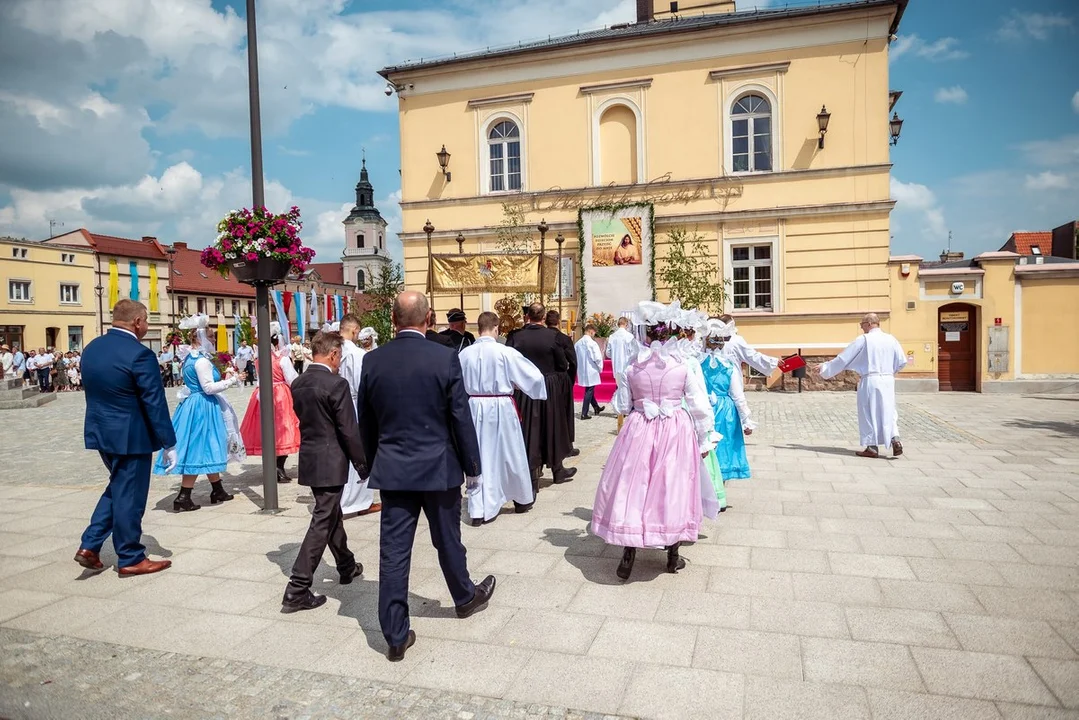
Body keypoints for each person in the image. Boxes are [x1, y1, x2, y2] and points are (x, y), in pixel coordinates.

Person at [358, 291, 495, 662]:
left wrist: (372, 463)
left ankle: (395, 634)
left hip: (395, 469)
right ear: (428, 317)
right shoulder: (445, 357)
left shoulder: (373, 360)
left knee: (394, 551)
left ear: (393, 316)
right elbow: (459, 417)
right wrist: (473, 467)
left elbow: (365, 421)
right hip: (439, 466)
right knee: (448, 539)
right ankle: (464, 596)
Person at [591, 301, 720, 580]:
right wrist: (704, 441)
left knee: (632, 486)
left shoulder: (632, 368)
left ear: (645, 335)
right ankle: (672, 555)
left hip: (639, 428)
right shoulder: (682, 365)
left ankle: (628, 554)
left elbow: (622, 406)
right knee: (672, 486)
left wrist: (642, 401)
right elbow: (699, 408)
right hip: (676, 429)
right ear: (669, 334)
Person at [76, 300, 177, 576]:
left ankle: (90, 544)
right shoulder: (139, 354)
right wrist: (169, 442)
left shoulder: (92, 348)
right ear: (138, 322)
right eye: (145, 321)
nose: (146, 326)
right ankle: (130, 556)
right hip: (131, 436)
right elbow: (154, 402)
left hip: (101, 430)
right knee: (130, 495)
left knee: (119, 487)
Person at [282, 331, 369, 613]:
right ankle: (297, 587)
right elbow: (348, 429)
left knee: (331, 514)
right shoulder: (336, 384)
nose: (340, 361)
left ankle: (345, 565)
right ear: (332, 354)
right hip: (332, 460)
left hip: (310, 457)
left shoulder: (299, 382)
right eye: (340, 356)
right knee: (322, 519)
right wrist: (362, 464)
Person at [459, 311, 547, 526]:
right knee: (510, 452)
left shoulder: (464, 354)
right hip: (501, 405)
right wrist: (519, 384)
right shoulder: (505, 352)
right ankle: (520, 498)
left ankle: (478, 508)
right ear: (496, 328)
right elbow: (535, 378)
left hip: (474, 407)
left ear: (478, 328)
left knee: (478, 455)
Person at [154, 314, 244, 512]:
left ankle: (217, 489)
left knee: (208, 445)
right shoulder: (201, 361)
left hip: (194, 405)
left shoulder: (190, 358)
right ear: (201, 338)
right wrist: (232, 380)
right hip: (203, 407)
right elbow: (208, 387)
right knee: (198, 448)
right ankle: (183, 496)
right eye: (211, 337)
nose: (213, 341)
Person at [818, 313, 906, 458]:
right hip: (888, 380)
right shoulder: (891, 339)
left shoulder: (864, 339)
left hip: (871, 379)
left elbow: (844, 358)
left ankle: (871, 447)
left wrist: (825, 367)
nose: (861, 326)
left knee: (868, 411)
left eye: (862, 323)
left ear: (870, 323)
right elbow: (902, 361)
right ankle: (895, 439)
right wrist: (889, 371)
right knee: (889, 410)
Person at [507, 303, 576, 486]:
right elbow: (562, 364)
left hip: (524, 387)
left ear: (528, 316)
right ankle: (557, 469)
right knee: (552, 426)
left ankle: (531, 475)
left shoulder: (515, 336)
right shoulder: (552, 336)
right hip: (547, 385)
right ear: (543, 318)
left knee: (529, 429)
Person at [239, 322, 301, 483]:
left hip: (262, 394)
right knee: (283, 430)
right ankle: (279, 467)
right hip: (281, 395)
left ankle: (272, 467)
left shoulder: (259, 358)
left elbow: (260, 379)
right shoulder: (283, 359)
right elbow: (293, 379)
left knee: (267, 431)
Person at [701, 318, 756, 486]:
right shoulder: (728, 366)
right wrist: (746, 420)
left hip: (704, 407)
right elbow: (737, 395)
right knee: (723, 447)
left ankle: (707, 485)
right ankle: (720, 486)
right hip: (725, 410)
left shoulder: (698, 363)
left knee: (706, 446)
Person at [338, 315, 380, 517]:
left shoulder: (333, 349)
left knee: (342, 450)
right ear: (355, 331)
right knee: (359, 450)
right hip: (354, 404)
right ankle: (358, 501)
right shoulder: (357, 354)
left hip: (336, 404)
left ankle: (342, 498)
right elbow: (362, 385)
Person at [545, 311, 579, 457]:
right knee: (565, 413)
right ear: (558, 322)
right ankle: (567, 445)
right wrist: (569, 380)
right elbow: (573, 362)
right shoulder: (564, 339)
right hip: (561, 379)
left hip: (543, 379)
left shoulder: (543, 337)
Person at [606, 317, 638, 433]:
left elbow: (608, 353)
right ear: (626, 324)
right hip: (627, 366)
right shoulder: (629, 337)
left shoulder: (612, 337)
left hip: (617, 367)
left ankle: (619, 411)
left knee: (619, 388)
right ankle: (628, 410)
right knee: (629, 389)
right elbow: (634, 352)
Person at [575, 324, 605, 420]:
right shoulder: (592, 343)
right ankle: (584, 413)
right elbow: (597, 357)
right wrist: (600, 368)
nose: (594, 334)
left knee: (589, 388)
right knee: (589, 390)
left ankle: (596, 407)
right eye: (594, 332)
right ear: (591, 331)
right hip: (591, 369)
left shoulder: (578, 343)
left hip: (582, 369)